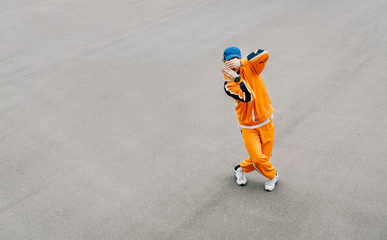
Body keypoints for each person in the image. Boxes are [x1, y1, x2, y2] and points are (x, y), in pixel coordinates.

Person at [221, 46, 279, 191]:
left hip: (266, 121)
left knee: (263, 158)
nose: (232, 64)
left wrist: (242, 62)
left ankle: (240, 169)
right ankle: (273, 175)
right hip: (248, 127)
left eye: (235, 59)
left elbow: (264, 53)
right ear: (224, 62)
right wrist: (238, 79)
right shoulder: (229, 85)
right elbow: (249, 97)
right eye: (229, 61)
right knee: (259, 160)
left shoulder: (251, 67)